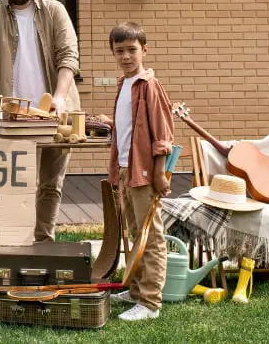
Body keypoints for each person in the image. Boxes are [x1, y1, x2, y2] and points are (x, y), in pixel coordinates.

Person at [0, 0, 81, 242]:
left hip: (55, 116)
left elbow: (69, 57)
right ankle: (14, 241)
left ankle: (44, 241)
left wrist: (59, 98)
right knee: (14, 182)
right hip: (14, 117)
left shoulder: (55, 10)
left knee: (50, 184)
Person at [102, 21, 174, 322]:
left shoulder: (150, 85)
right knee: (135, 234)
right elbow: (129, 131)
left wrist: (159, 174)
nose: (126, 56)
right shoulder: (124, 85)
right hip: (125, 171)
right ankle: (134, 290)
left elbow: (163, 135)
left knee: (151, 236)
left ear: (144, 50)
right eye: (120, 51)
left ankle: (150, 302)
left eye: (132, 50)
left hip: (145, 174)